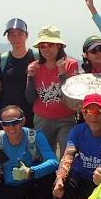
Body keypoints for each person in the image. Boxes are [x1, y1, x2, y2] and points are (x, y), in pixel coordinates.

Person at [26, 25, 79, 157]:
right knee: (43, 156)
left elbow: (72, 95)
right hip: (42, 119)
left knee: (68, 155)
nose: (46, 49)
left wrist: (62, 74)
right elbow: (30, 98)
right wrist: (30, 78)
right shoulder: (34, 67)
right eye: (42, 46)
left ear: (59, 46)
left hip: (66, 118)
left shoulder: (70, 65)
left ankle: (64, 178)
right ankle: (47, 178)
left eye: (50, 45)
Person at [0, 18, 37, 127]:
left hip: (33, 114)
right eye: (12, 35)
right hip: (8, 116)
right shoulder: (2, 59)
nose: (16, 38)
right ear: (8, 37)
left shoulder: (36, 57)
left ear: (26, 35)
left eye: (20, 34)